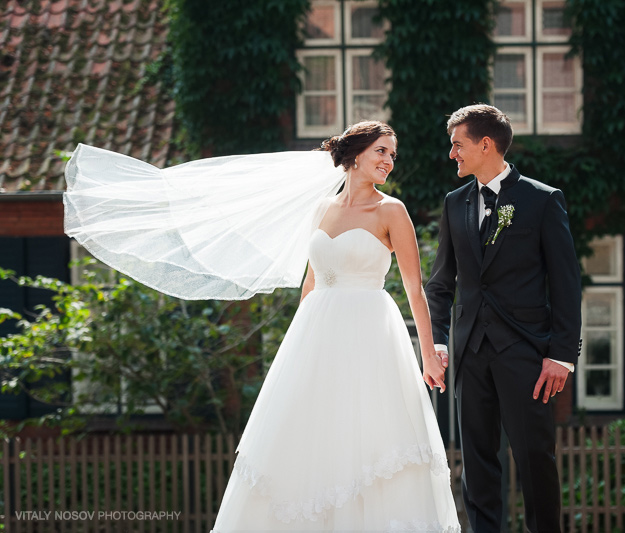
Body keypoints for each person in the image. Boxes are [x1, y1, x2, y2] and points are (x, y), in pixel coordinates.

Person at [64, 122, 460, 531]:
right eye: (381, 151)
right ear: (355, 155)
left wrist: (428, 352)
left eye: (392, 154)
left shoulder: (391, 210)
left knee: (372, 431)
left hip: (371, 331)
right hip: (318, 330)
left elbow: (415, 287)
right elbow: (311, 280)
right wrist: (298, 346)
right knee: (311, 430)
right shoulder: (320, 209)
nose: (388, 161)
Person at [425, 104, 582, 533]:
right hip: (470, 351)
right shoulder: (455, 203)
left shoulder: (542, 200)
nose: (452, 154)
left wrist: (562, 355)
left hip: (527, 353)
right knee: (476, 461)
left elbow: (566, 284)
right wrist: (436, 341)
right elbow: (441, 283)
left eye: (458, 145)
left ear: (485, 144)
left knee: (534, 456)